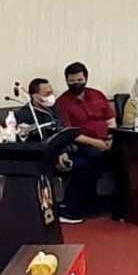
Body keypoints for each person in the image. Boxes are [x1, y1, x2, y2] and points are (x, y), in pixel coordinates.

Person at [18, 78, 93, 223]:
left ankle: (76, 206)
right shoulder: (25, 115)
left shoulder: (53, 110)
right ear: (35, 96)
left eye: (51, 92)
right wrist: (56, 155)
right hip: (41, 156)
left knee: (90, 161)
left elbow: (61, 133)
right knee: (81, 168)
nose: (51, 96)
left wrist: (63, 152)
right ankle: (66, 209)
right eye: (47, 94)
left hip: (60, 152)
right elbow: (33, 140)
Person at [55, 62, 117, 216]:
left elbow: (110, 120)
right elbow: (68, 132)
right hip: (82, 142)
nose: (76, 84)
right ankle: (91, 200)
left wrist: (111, 137)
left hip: (108, 140)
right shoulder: (62, 102)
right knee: (94, 156)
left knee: (127, 156)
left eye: (79, 80)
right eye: (72, 81)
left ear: (86, 79)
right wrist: (97, 143)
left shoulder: (97, 95)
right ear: (66, 80)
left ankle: (119, 203)